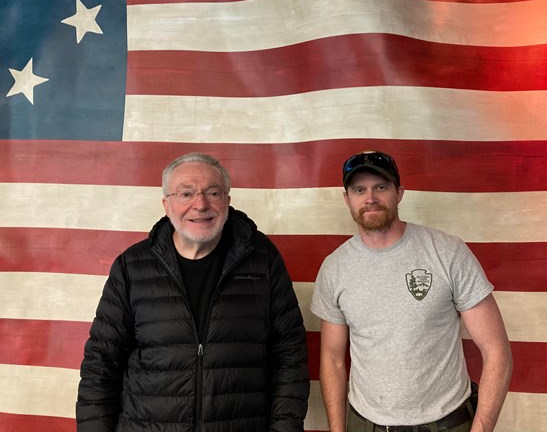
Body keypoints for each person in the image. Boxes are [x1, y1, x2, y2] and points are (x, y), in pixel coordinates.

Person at [76, 152, 310, 432]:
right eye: (186, 194)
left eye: (213, 192)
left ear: (227, 200)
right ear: (167, 204)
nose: (200, 205)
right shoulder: (132, 267)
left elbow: (289, 357)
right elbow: (101, 364)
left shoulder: (264, 260)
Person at [310, 150, 512, 432]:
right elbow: (332, 360)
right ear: (347, 199)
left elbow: (496, 350)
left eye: (381, 187)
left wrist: (481, 429)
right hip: (367, 424)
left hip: (448, 423)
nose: (370, 198)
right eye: (359, 189)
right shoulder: (335, 268)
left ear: (399, 193)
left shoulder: (446, 252)